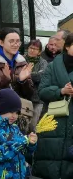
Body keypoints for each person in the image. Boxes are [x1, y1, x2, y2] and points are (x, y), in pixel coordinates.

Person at [32, 33, 73, 178]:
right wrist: (61, 91)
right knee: (49, 163)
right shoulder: (52, 66)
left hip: (71, 123)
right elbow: (42, 91)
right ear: (68, 46)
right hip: (53, 121)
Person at [0, 88, 37, 179]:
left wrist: (30, 144)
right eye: (11, 111)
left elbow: (23, 151)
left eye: (17, 113)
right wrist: (22, 141)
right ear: (1, 109)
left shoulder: (14, 127)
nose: (14, 116)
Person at [0, 27, 34, 101]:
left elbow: (30, 94)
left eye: (18, 41)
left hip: (19, 109)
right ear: (1, 43)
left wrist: (22, 81)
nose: (15, 44)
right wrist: (4, 79)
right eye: (11, 41)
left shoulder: (22, 62)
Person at [25, 40, 48, 131]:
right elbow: (18, 75)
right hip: (24, 97)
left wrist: (28, 74)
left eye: (35, 49)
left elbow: (41, 76)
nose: (32, 50)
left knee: (34, 125)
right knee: (24, 124)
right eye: (31, 48)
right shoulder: (21, 59)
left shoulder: (43, 62)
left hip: (38, 99)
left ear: (39, 52)